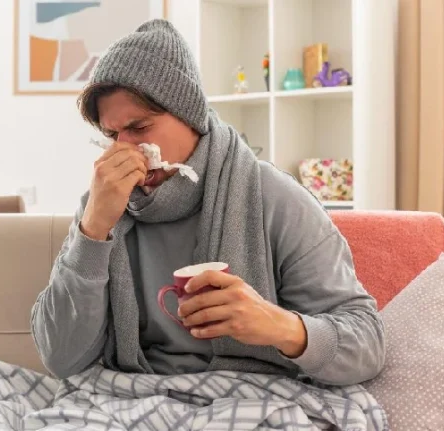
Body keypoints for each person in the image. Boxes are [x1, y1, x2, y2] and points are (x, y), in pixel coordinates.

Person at [31, 19, 386, 385]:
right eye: (111, 134)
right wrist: (92, 231)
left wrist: (280, 326)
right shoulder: (101, 207)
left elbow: (367, 345)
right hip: (135, 397)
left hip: (254, 398)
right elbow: (61, 359)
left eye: (139, 128)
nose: (124, 148)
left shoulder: (275, 197)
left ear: (190, 116)